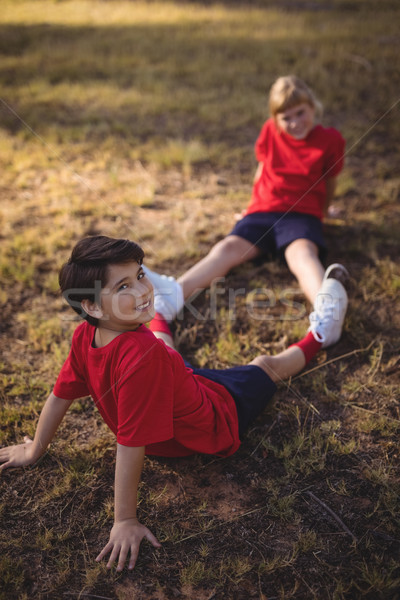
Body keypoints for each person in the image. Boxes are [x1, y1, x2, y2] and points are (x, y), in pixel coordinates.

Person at [0, 235, 347, 572]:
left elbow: (104, 424)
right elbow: (71, 401)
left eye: (140, 276)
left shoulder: (99, 336)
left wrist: (40, 453)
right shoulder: (112, 348)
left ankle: (320, 335)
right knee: (233, 360)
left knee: (225, 361)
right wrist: (122, 518)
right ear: (90, 305)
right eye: (123, 287)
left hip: (205, 400)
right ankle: (320, 334)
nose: (141, 288)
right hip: (198, 407)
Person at [143, 75, 348, 348]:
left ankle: (326, 311)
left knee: (301, 256)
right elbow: (262, 170)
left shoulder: (329, 140)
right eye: (287, 118)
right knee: (227, 248)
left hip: (301, 214)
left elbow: (330, 180)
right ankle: (174, 294)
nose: (296, 122)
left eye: (301, 113)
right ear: (275, 119)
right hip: (262, 211)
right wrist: (250, 209)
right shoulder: (270, 132)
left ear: (313, 106)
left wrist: (323, 212)